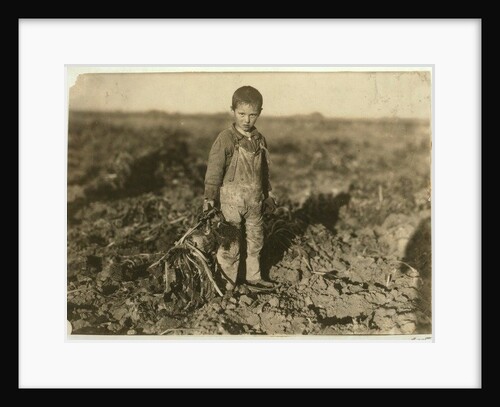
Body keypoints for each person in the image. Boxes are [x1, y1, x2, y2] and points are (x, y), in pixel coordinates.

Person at [203, 86, 276, 290]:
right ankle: (227, 285)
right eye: (241, 114)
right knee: (230, 245)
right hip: (231, 203)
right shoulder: (226, 139)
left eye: (252, 115)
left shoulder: (260, 140)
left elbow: (265, 172)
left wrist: (268, 195)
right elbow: (214, 172)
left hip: (254, 201)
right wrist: (209, 198)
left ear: (260, 113)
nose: (246, 120)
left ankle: (253, 278)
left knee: (255, 241)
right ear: (233, 111)